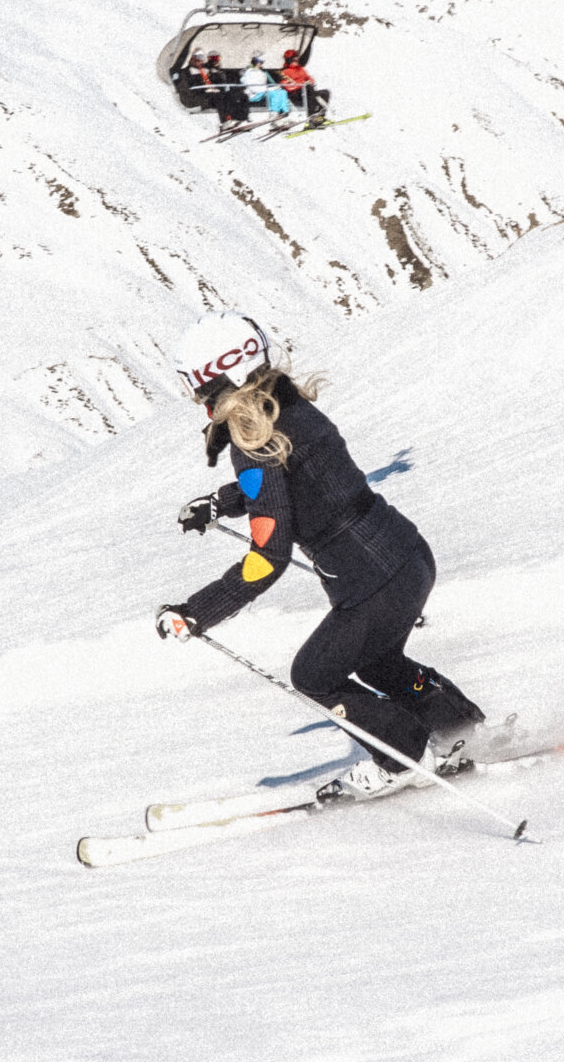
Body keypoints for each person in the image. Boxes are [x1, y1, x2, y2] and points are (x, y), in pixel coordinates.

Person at [156, 311, 485, 799]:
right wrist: (222, 503)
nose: (197, 399)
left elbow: (268, 557)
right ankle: (459, 727)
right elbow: (294, 483)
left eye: (197, 387)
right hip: (409, 557)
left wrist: (196, 612)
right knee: (377, 662)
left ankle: (403, 757)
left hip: (370, 583)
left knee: (313, 675)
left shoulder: (255, 439)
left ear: (217, 380)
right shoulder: (286, 405)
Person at [279, 49, 327, 125]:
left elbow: (309, 78)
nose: (296, 60)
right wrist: (301, 84)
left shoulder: (301, 69)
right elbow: (286, 86)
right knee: (308, 89)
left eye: (296, 58)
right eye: (293, 59)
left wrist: (310, 81)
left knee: (325, 93)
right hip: (296, 94)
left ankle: (320, 117)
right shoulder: (285, 71)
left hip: (307, 91)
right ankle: (311, 118)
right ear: (289, 60)